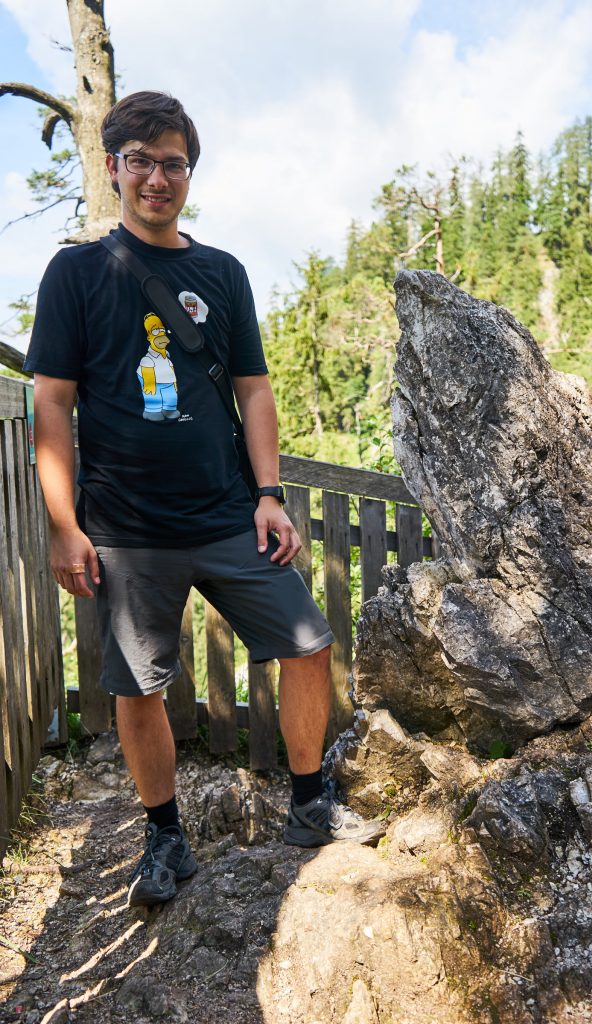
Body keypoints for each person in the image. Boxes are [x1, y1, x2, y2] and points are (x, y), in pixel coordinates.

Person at [24, 91, 384, 908]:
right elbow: (52, 404)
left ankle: (308, 805)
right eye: (142, 161)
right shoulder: (77, 273)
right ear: (114, 167)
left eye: (174, 162)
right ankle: (165, 838)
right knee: (136, 687)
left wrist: (267, 494)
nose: (158, 177)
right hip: (123, 526)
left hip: (227, 511)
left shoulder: (220, 274)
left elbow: (254, 392)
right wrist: (63, 525)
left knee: (308, 644)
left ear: (191, 171)